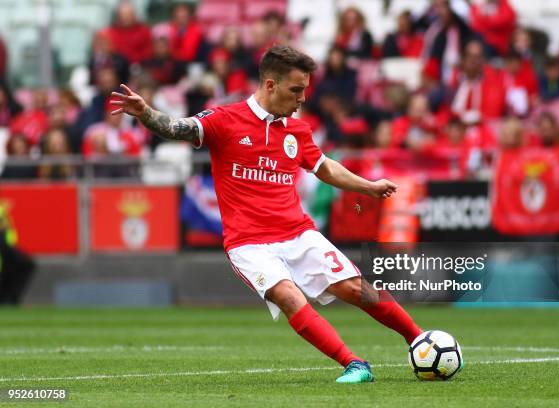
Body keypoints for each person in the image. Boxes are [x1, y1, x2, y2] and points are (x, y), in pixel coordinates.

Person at [111, 45, 422, 383]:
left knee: (355, 288)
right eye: (296, 89)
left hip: (298, 233)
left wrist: (369, 187)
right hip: (249, 243)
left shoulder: (297, 131)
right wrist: (145, 113)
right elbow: (176, 127)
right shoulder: (224, 120)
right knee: (288, 295)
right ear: (271, 85)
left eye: (304, 89)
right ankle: (354, 364)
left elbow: (324, 168)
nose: (302, 97)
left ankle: (419, 340)